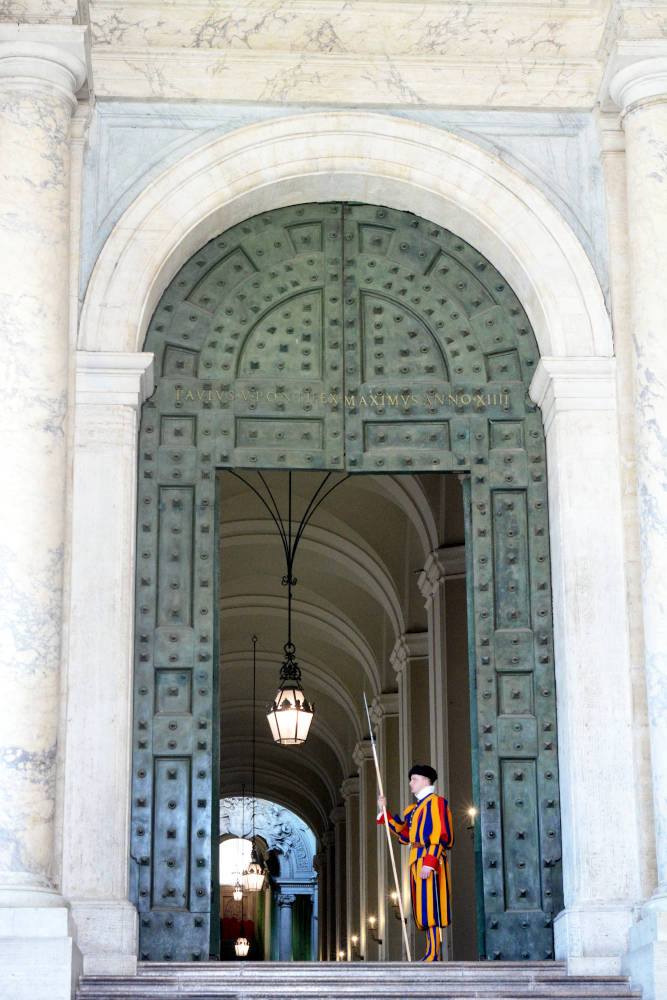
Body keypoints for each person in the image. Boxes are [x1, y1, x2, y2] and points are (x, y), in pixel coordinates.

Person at [378, 764, 454, 962]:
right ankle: (430, 951)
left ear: (426, 781)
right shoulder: (414, 809)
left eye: (414, 779)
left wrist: (430, 862)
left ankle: (433, 952)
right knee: (422, 907)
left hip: (430, 859)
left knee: (433, 906)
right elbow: (404, 834)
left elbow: (439, 834)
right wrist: (384, 811)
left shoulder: (437, 803)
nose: (410, 783)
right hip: (416, 859)